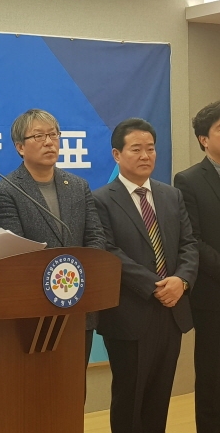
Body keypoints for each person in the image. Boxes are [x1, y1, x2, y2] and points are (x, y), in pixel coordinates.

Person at [93, 118, 198, 433]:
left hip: (171, 311)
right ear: (117, 154)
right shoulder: (101, 199)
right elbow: (108, 251)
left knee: (159, 396)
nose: (145, 156)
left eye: (150, 149)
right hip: (129, 313)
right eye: (136, 149)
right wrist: (155, 286)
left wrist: (181, 280)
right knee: (130, 397)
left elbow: (189, 244)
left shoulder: (171, 195)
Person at [0, 108, 105, 369]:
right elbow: (16, 253)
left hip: (78, 305)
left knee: (75, 384)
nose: (49, 142)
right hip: (34, 311)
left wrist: (77, 279)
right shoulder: (5, 190)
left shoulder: (78, 186)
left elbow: (96, 238)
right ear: (20, 147)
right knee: (37, 384)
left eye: (53, 135)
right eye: (38, 136)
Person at [174, 100, 220, 432]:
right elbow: (193, 240)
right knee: (212, 377)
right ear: (204, 139)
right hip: (213, 296)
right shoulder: (188, 180)